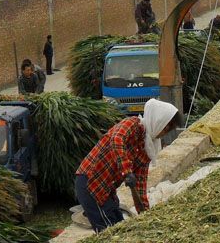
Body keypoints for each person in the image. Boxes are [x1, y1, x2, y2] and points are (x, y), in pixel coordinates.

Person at [75, 99, 178, 233]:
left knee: (122, 228)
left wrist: (146, 215)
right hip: (91, 183)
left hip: (108, 190)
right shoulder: (132, 124)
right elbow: (117, 140)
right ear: (157, 120)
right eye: (165, 127)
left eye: (167, 129)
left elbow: (140, 184)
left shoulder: (147, 149)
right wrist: (127, 172)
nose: (164, 132)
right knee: (109, 232)